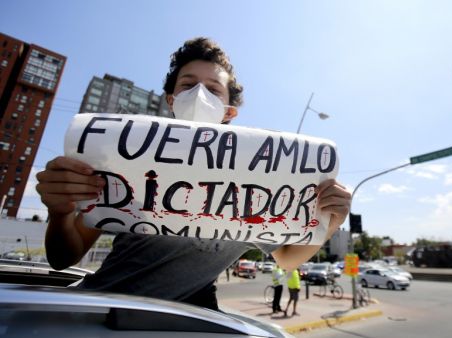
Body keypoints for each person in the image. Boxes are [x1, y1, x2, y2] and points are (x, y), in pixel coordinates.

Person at [36, 37, 351, 311]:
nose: (199, 94)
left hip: (185, 321)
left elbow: (287, 258)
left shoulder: (259, 179)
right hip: (100, 311)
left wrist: (329, 222)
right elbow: (64, 256)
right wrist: (61, 212)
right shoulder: (122, 159)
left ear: (229, 112)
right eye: (188, 85)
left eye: (213, 89)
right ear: (172, 100)